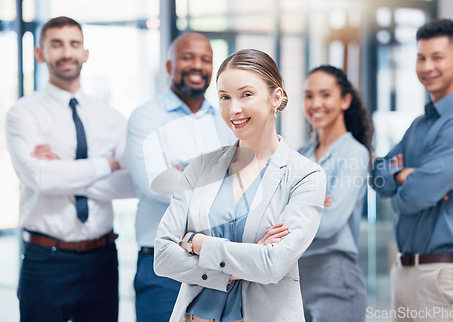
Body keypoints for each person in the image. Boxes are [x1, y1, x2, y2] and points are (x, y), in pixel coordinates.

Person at [153, 48, 326, 322]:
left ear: (276, 97)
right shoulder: (199, 169)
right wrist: (241, 264)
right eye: (224, 97)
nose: (234, 109)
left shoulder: (305, 175)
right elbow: (163, 256)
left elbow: (273, 264)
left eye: (246, 94)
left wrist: (198, 243)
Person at [5, 16, 135, 322]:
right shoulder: (23, 113)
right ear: (40, 53)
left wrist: (62, 173)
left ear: (85, 53)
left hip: (103, 257)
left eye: (74, 44)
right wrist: (108, 164)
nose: (66, 52)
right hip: (46, 259)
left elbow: (130, 183)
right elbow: (39, 177)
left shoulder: (111, 117)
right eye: (57, 44)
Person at [370, 18, 453, 322]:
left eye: (437, 57)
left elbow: (415, 196)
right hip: (407, 272)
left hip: (443, 276)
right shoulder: (420, 125)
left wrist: (406, 188)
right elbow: (377, 175)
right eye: (421, 57)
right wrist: (401, 175)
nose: (427, 66)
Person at [126, 32, 235, 321]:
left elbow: (245, 181)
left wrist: (184, 172)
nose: (197, 65)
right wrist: (220, 178)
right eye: (187, 57)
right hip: (163, 264)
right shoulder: (146, 118)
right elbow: (156, 185)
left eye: (205, 59)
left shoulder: (227, 119)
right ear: (169, 65)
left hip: (219, 260)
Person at [298, 65, 372, 322]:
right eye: (309, 96)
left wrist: (293, 207)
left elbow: (329, 223)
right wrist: (312, 205)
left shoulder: (354, 153)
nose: (316, 103)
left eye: (325, 95)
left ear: (345, 100)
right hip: (294, 278)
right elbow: (268, 213)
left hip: (335, 276)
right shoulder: (300, 156)